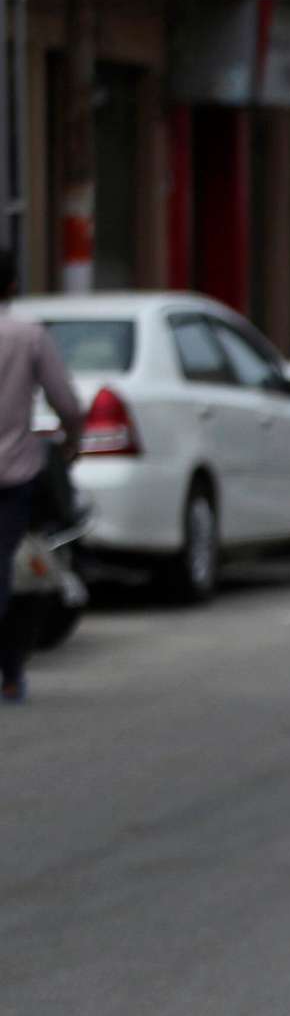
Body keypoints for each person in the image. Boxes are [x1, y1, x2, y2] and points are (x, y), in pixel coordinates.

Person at [0, 249, 86, 704]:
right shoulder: (28, 336)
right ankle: (11, 673)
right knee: (16, 571)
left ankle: (12, 672)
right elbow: (68, 405)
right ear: (12, 286)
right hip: (14, 477)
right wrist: (72, 441)